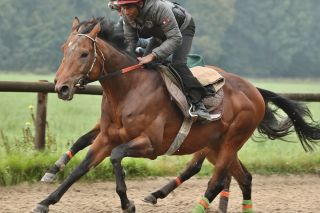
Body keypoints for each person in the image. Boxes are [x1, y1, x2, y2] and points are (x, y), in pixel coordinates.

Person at [111, 0, 212, 120]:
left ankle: (199, 103)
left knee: (178, 64)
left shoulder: (158, 8)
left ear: (139, 4)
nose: (125, 12)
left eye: (128, 8)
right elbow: (130, 41)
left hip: (182, 30)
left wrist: (153, 55)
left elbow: (175, 38)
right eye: (123, 8)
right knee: (145, 65)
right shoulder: (126, 14)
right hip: (161, 34)